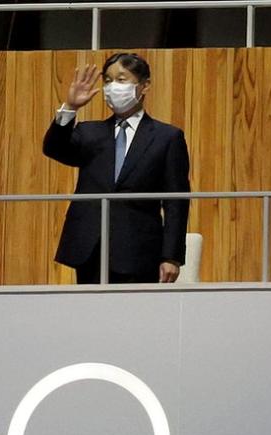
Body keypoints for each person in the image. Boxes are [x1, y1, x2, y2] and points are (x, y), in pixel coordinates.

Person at [43, 53, 190, 285]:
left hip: (139, 249)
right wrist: (70, 108)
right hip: (90, 246)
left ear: (145, 85)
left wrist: (171, 256)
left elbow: (176, 201)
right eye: (108, 81)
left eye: (121, 80)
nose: (113, 87)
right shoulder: (89, 132)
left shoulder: (167, 137)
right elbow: (54, 149)